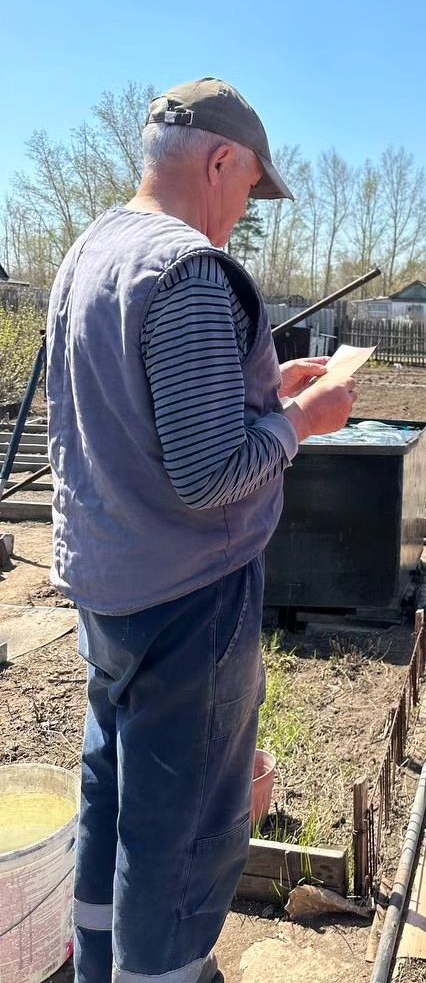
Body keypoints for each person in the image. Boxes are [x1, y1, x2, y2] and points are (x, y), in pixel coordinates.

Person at [46, 78, 357, 983]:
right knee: (181, 831)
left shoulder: (92, 251)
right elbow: (211, 473)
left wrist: (264, 386)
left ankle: (99, 963)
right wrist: (306, 422)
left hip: (108, 582)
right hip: (189, 598)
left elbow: (128, 414)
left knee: (113, 795)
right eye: (248, 190)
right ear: (220, 160)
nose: (242, 219)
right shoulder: (186, 269)